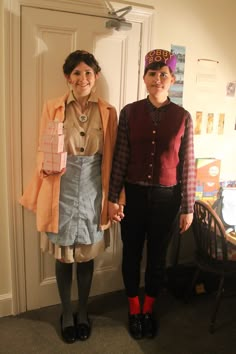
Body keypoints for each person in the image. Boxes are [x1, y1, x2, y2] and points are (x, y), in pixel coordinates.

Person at [20, 50, 124, 343]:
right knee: (64, 256)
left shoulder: (108, 111)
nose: (82, 79)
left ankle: (83, 311)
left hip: (94, 188)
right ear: (68, 77)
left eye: (88, 73)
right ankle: (66, 312)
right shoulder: (52, 107)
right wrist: (37, 191)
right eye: (76, 73)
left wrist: (117, 197)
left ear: (96, 76)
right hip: (60, 188)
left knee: (87, 255)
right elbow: (44, 151)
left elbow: (114, 157)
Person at [108, 49, 196, 340]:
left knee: (157, 258)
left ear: (172, 79)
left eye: (164, 74)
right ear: (144, 77)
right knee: (131, 254)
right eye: (152, 73)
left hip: (166, 199)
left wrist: (188, 207)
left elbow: (187, 163)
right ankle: (134, 308)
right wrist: (112, 198)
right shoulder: (129, 112)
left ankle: (149, 308)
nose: (158, 79)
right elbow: (120, 157)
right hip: (131, 196)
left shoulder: (183, 117)